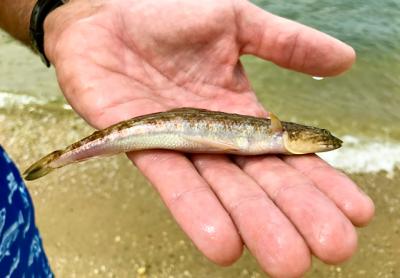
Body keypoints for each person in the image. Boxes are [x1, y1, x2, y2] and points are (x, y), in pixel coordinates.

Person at [0, 0, 375, 277]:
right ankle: (59, 159)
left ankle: (59, 159)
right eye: (320, 140)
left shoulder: (273, 137)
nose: (324, 142)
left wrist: (61, 15)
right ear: (296, 134)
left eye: (322, 141)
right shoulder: (273, 131)